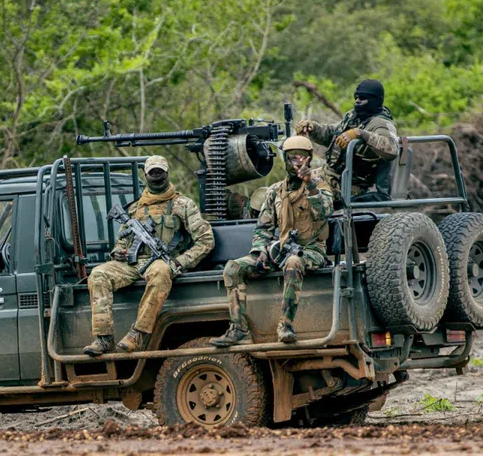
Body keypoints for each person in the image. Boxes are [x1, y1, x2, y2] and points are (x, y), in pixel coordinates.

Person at [83, 155, 215, 355]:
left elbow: (206, 240)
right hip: (132, 263)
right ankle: (103, 338)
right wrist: (118, 252)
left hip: (160, 262)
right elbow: (122, 240)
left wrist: (180, 261)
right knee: (98, 274)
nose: (156, 176)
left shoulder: (182, 204)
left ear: (167, 173)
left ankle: (138, 333)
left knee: (161, 272)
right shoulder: (136, 208)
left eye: (160, 172)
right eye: (152, 172)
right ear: (145, 176)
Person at [210, 136, 334, 346]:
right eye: (292, 157)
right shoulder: (275, 191)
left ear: (309, 159)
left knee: (293, 263)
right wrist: (260, 251)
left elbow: (324, 211)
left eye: (302, 157)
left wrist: (310, 184)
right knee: (233, 268)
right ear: (285, 159)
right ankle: (239, 329)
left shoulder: (320, 187)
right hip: (282, 250)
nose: (297, 162)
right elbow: (263, 227)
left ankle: (285, 325)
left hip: (311, 251)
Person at [296, 79, 398, 206]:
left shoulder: (382, 123)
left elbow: (392, 148)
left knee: (300, 199)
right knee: (286, 188)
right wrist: (312, 128)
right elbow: (332, 134)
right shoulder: (354, 117)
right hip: (328, 174)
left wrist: (360, 134)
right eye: (356, 97)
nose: (357, 101)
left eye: (362, 98)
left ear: (374, 100)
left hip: (349, 186)